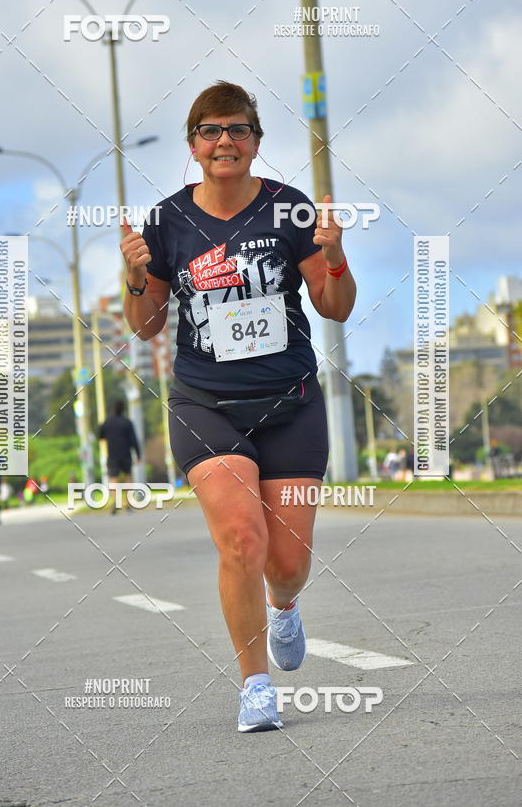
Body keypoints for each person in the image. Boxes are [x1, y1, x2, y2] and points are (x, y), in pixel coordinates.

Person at [122, 81, 356, 733]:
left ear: (255, 140)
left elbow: (333, 307)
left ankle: (285, 605)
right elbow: (146, 328)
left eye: (237, 129)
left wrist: (334, 259)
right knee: (240, 538)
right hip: (206, 404)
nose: (224, 140)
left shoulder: (290, 211)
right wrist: (138, 278)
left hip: (291, 403)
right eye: (210, 130)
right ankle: (254, 685)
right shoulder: (168, 221)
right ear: (193, 145)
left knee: (287, 563)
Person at [98, 401, 141, 513]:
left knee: (113, 479)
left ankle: (116, 502)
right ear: (123, 410)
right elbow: (134, 440)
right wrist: (138, 455)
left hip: (112, 455)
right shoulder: (127, 422)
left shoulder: (107, 422)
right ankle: (128, 504)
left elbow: (100, 435)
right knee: (128, 477)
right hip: (126, 454)